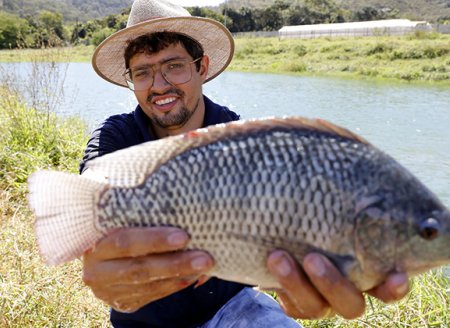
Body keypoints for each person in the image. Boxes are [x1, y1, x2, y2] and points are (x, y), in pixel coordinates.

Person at [80, 0, 410, 327]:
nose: (159, 84)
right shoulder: (116, 135)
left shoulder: (239, 134)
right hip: (144, 320)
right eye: (143, 72)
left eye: (174, 66)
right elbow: (90, 197)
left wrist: (296, 272)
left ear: (202, 67)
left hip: (231, 307)